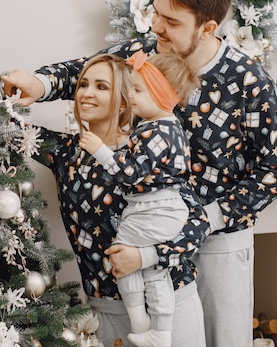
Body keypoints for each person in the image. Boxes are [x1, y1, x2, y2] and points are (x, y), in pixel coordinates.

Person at [0, 0, 277, 347]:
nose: (157, 27)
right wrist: (39, 83)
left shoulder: (249, 80)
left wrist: (209, 219)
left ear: (208, 28)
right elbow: (85, 72)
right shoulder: (144, 54)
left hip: (216, 241)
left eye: (172, 22)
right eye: (157, 14)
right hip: (146, 233)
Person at [29, 53, 207, 347]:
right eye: (83, 84)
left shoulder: (150, 150)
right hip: (105, 309)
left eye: (101, 86)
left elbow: (197, 225)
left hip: (169, 308)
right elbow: (8, 130)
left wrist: (145, 257)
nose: (86, 92)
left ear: (125, 100)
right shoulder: (66, 152)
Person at [78, 50, 200, 347]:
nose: (130, 96)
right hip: (104, 301)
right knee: (135, 262)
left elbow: (131, 173)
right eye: (83, 84)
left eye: (137, 90)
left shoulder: (159, 132)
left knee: (136, 260)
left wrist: (100, 151)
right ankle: (146, 325)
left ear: (161, 94)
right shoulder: (149, 130)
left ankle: (150, 325)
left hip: (157, 213)